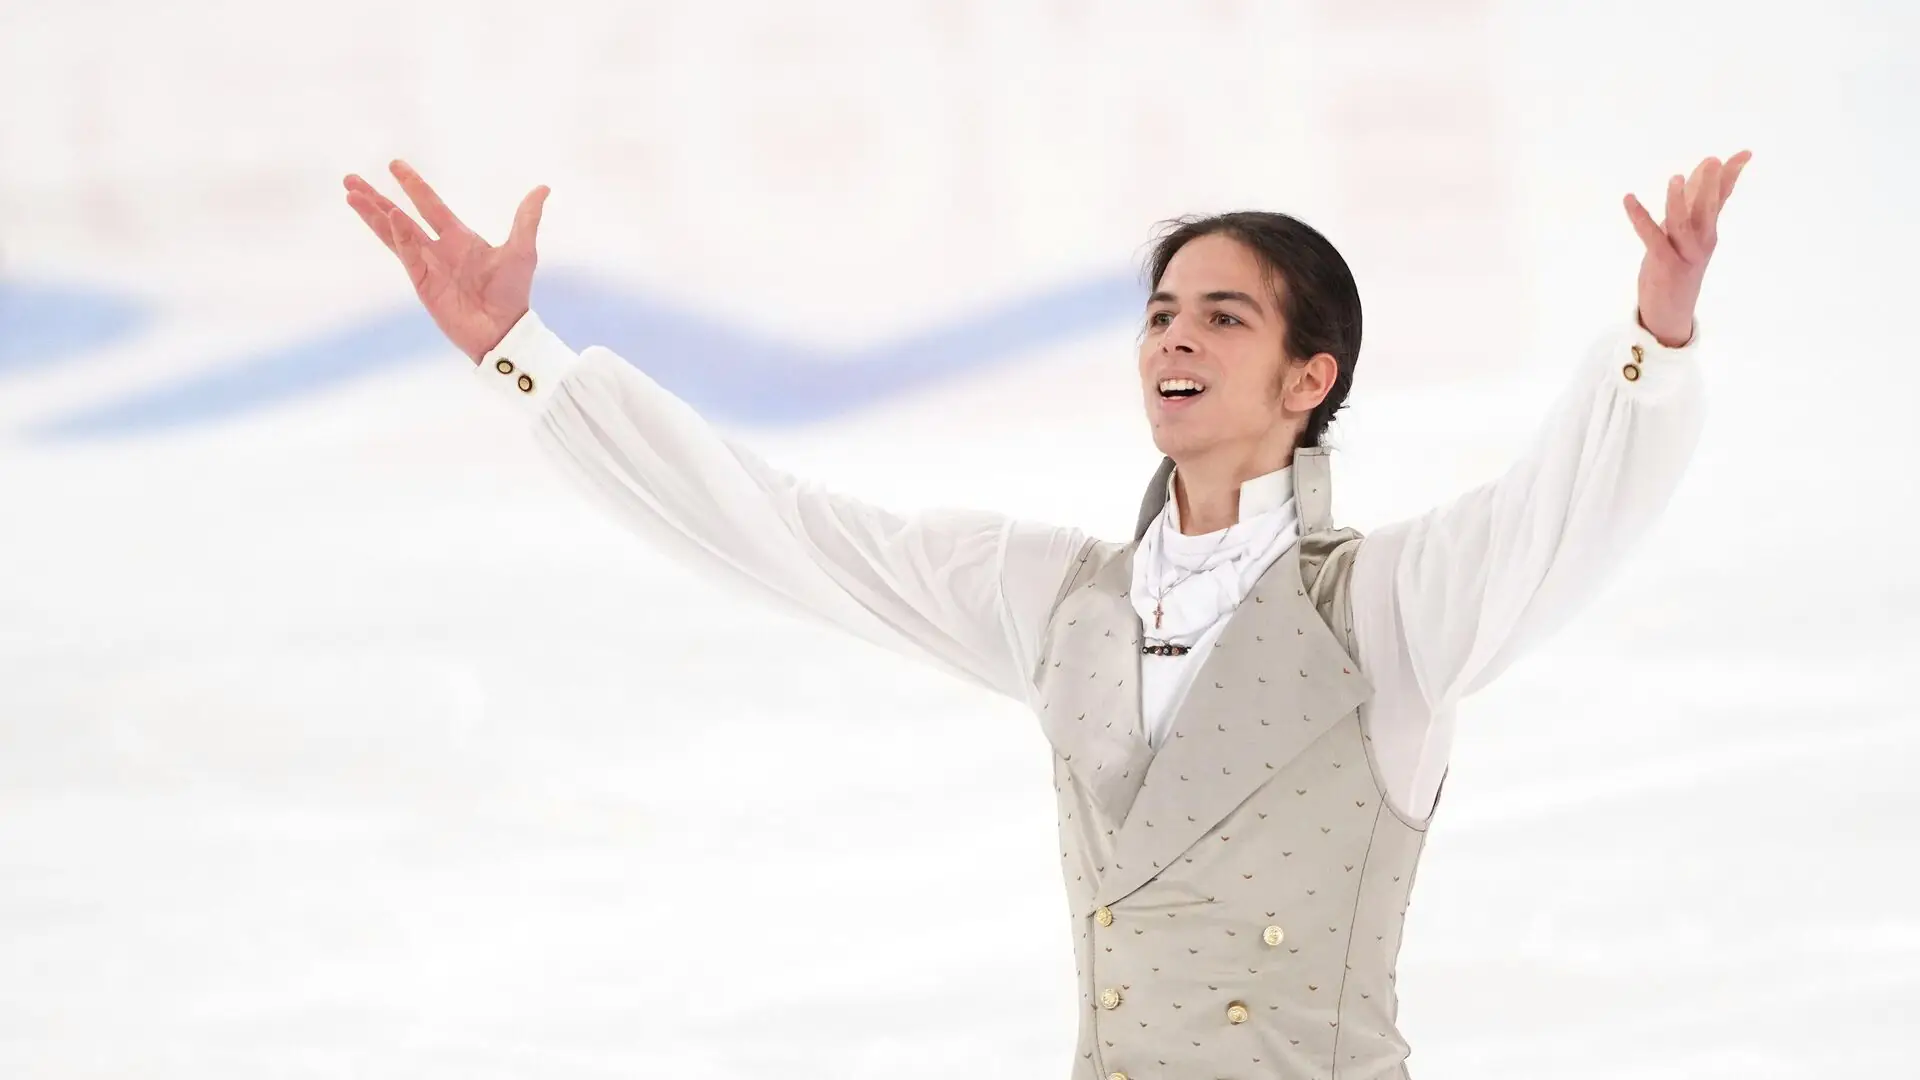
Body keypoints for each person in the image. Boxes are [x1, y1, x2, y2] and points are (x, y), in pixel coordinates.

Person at [343, 149, 1748, 1080]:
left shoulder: (1383, 607)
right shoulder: (1061, 599)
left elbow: (1563, 514)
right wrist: (524, 357)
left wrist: (1657, 340)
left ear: (1310, 377)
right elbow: (784, 532)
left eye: (1224, 317)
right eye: (1161, 313)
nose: (1174, 336)